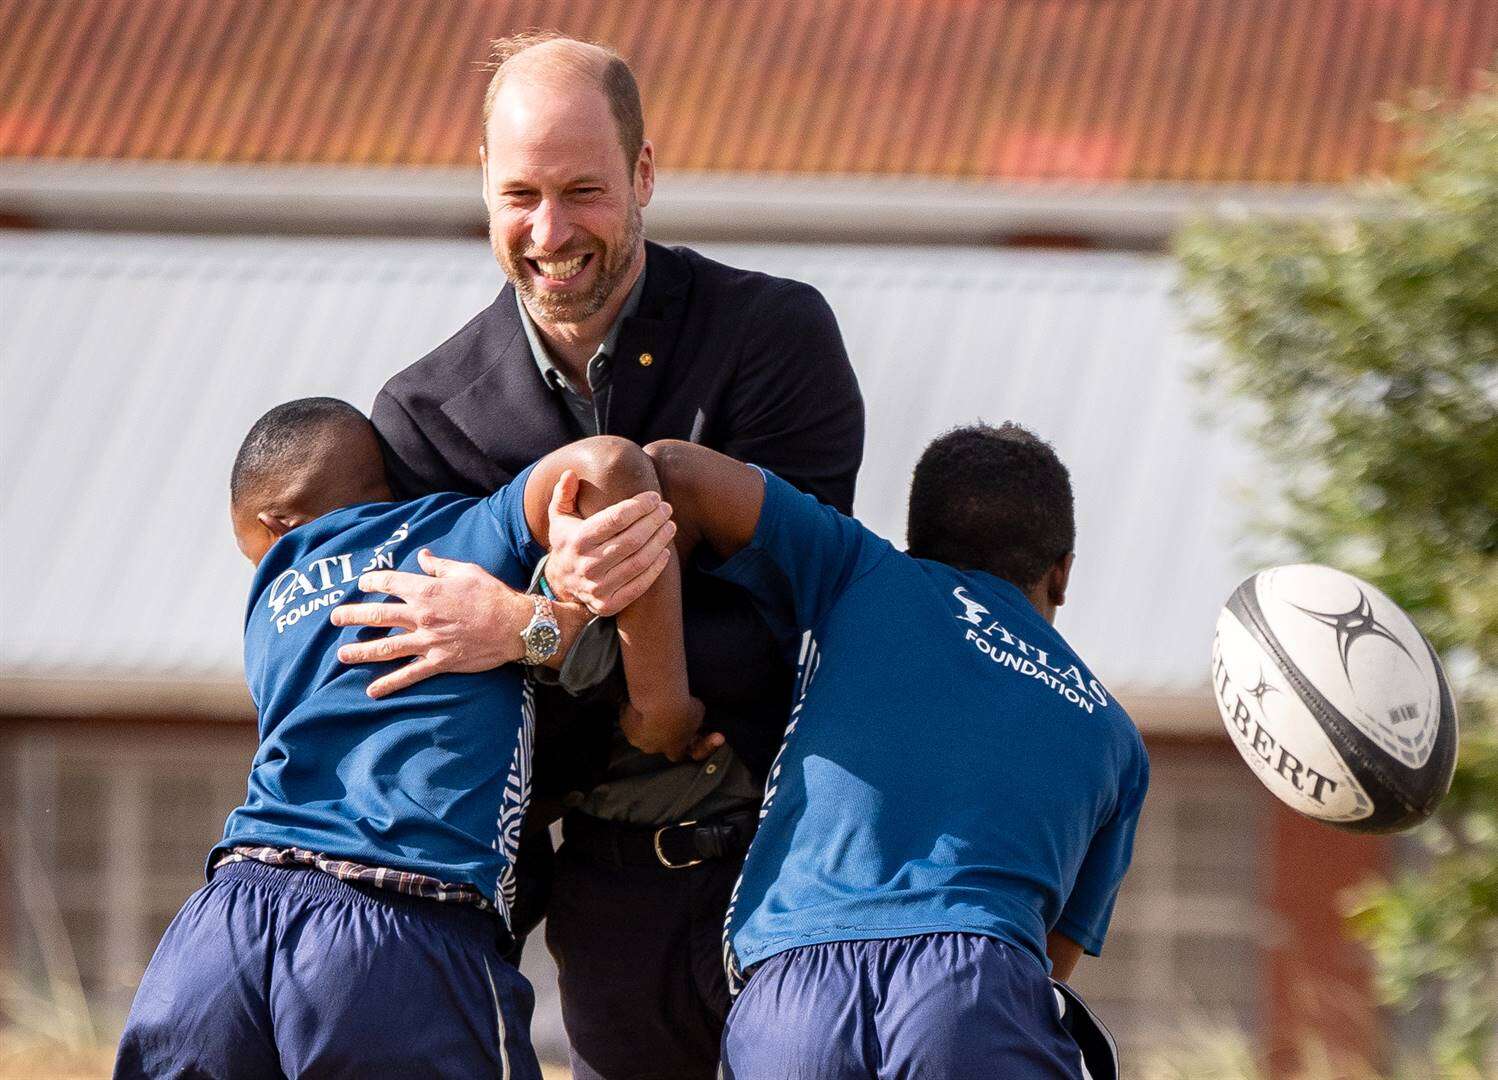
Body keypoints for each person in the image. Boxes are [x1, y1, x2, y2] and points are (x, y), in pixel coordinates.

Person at [342, 31, 864, 1079]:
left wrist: (527, 628)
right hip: (605, 906)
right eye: (521, 192)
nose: (549, 231)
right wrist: (563, 625)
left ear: (643, 177)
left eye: (583, 191)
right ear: (483, 181)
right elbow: (447, 698)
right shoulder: (420, 417)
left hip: (797, 882)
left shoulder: (774, 336)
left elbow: (778, 636)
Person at [115, 400, 693, 1079]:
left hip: (221, 926)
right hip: (394, 929)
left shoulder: (271, 591)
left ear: (275, 524)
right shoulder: (462, 534)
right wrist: (662, 703)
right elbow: (611, 462)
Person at [640, 424, 1148, 1080]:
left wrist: (661, 698)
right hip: (975, 988)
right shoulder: (1115, 736)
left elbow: (673, 469)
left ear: (916, 540)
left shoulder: (865, 570)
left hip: (792, 998)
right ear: (1063, 572)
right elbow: (1049, 961)